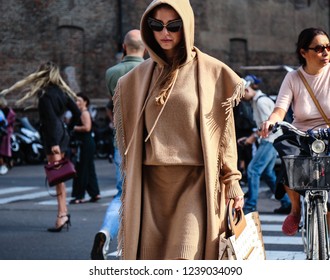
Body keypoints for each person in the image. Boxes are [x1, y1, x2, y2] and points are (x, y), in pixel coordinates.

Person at [113, 0, 244, 260]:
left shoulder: (212, 72)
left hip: (194, 183)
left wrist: (233, 181)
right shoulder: (134, 79)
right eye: (156, 25)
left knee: (186, 259)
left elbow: (224, 135)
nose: (165, 32)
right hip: (150, 186)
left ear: (187, 26)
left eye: (173, 25)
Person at [261, 27, 330, 236]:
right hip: (301, 135)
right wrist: (271, 122)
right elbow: (280, 108)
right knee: (286, 152)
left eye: (328, 47)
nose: (326, 52)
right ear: (303, 52)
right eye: (319, 48)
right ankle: (295, 209)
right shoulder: (293, 78)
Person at [0, 61, 81, 232]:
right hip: (61, 134)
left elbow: (50, 121)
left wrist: (53, 143)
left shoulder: (45, 96)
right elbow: (77, 113)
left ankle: (62, 214)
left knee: (58, 177)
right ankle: (63, 212)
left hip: (53, 138)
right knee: (60, 176)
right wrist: (69, 129)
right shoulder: (62, 93)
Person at [90, 29, 145, 260]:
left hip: (121, 140)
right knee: (148, 194)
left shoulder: (112, 73)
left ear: (124, 47)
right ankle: (136, 245)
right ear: (146, 47)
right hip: (145, 140)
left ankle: (106, 231)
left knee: (122, 194)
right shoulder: (151, 70)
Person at [240, 77, 291, 214]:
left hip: (269, 141)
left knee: (253, 170)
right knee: (268, 174)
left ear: (247, 89)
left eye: (241, 94)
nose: (241, 98)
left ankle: (250, 205)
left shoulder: (261, 102)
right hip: (271, 141)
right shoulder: (258, 101)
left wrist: (252, 137)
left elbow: (267, 126)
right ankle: (286, 203)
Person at [70, 93, 101, 204]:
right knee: (88, 168)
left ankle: (79, 196)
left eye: (79, 100)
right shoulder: (81, 113)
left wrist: (74, 127)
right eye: (76, 100)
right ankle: (94, 193)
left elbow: (87, 128)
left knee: (81, 169)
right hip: (85, 143)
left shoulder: (84, 113)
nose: (76, 103)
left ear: (85, 102)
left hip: (85, 143)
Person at [0, 97, 16, 174]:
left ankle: (6, 164)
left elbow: (10, 121)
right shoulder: (5, 111)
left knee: (5, 149)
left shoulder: (8, 111)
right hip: (4, 131)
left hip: (6, 132)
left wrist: (5, 123)